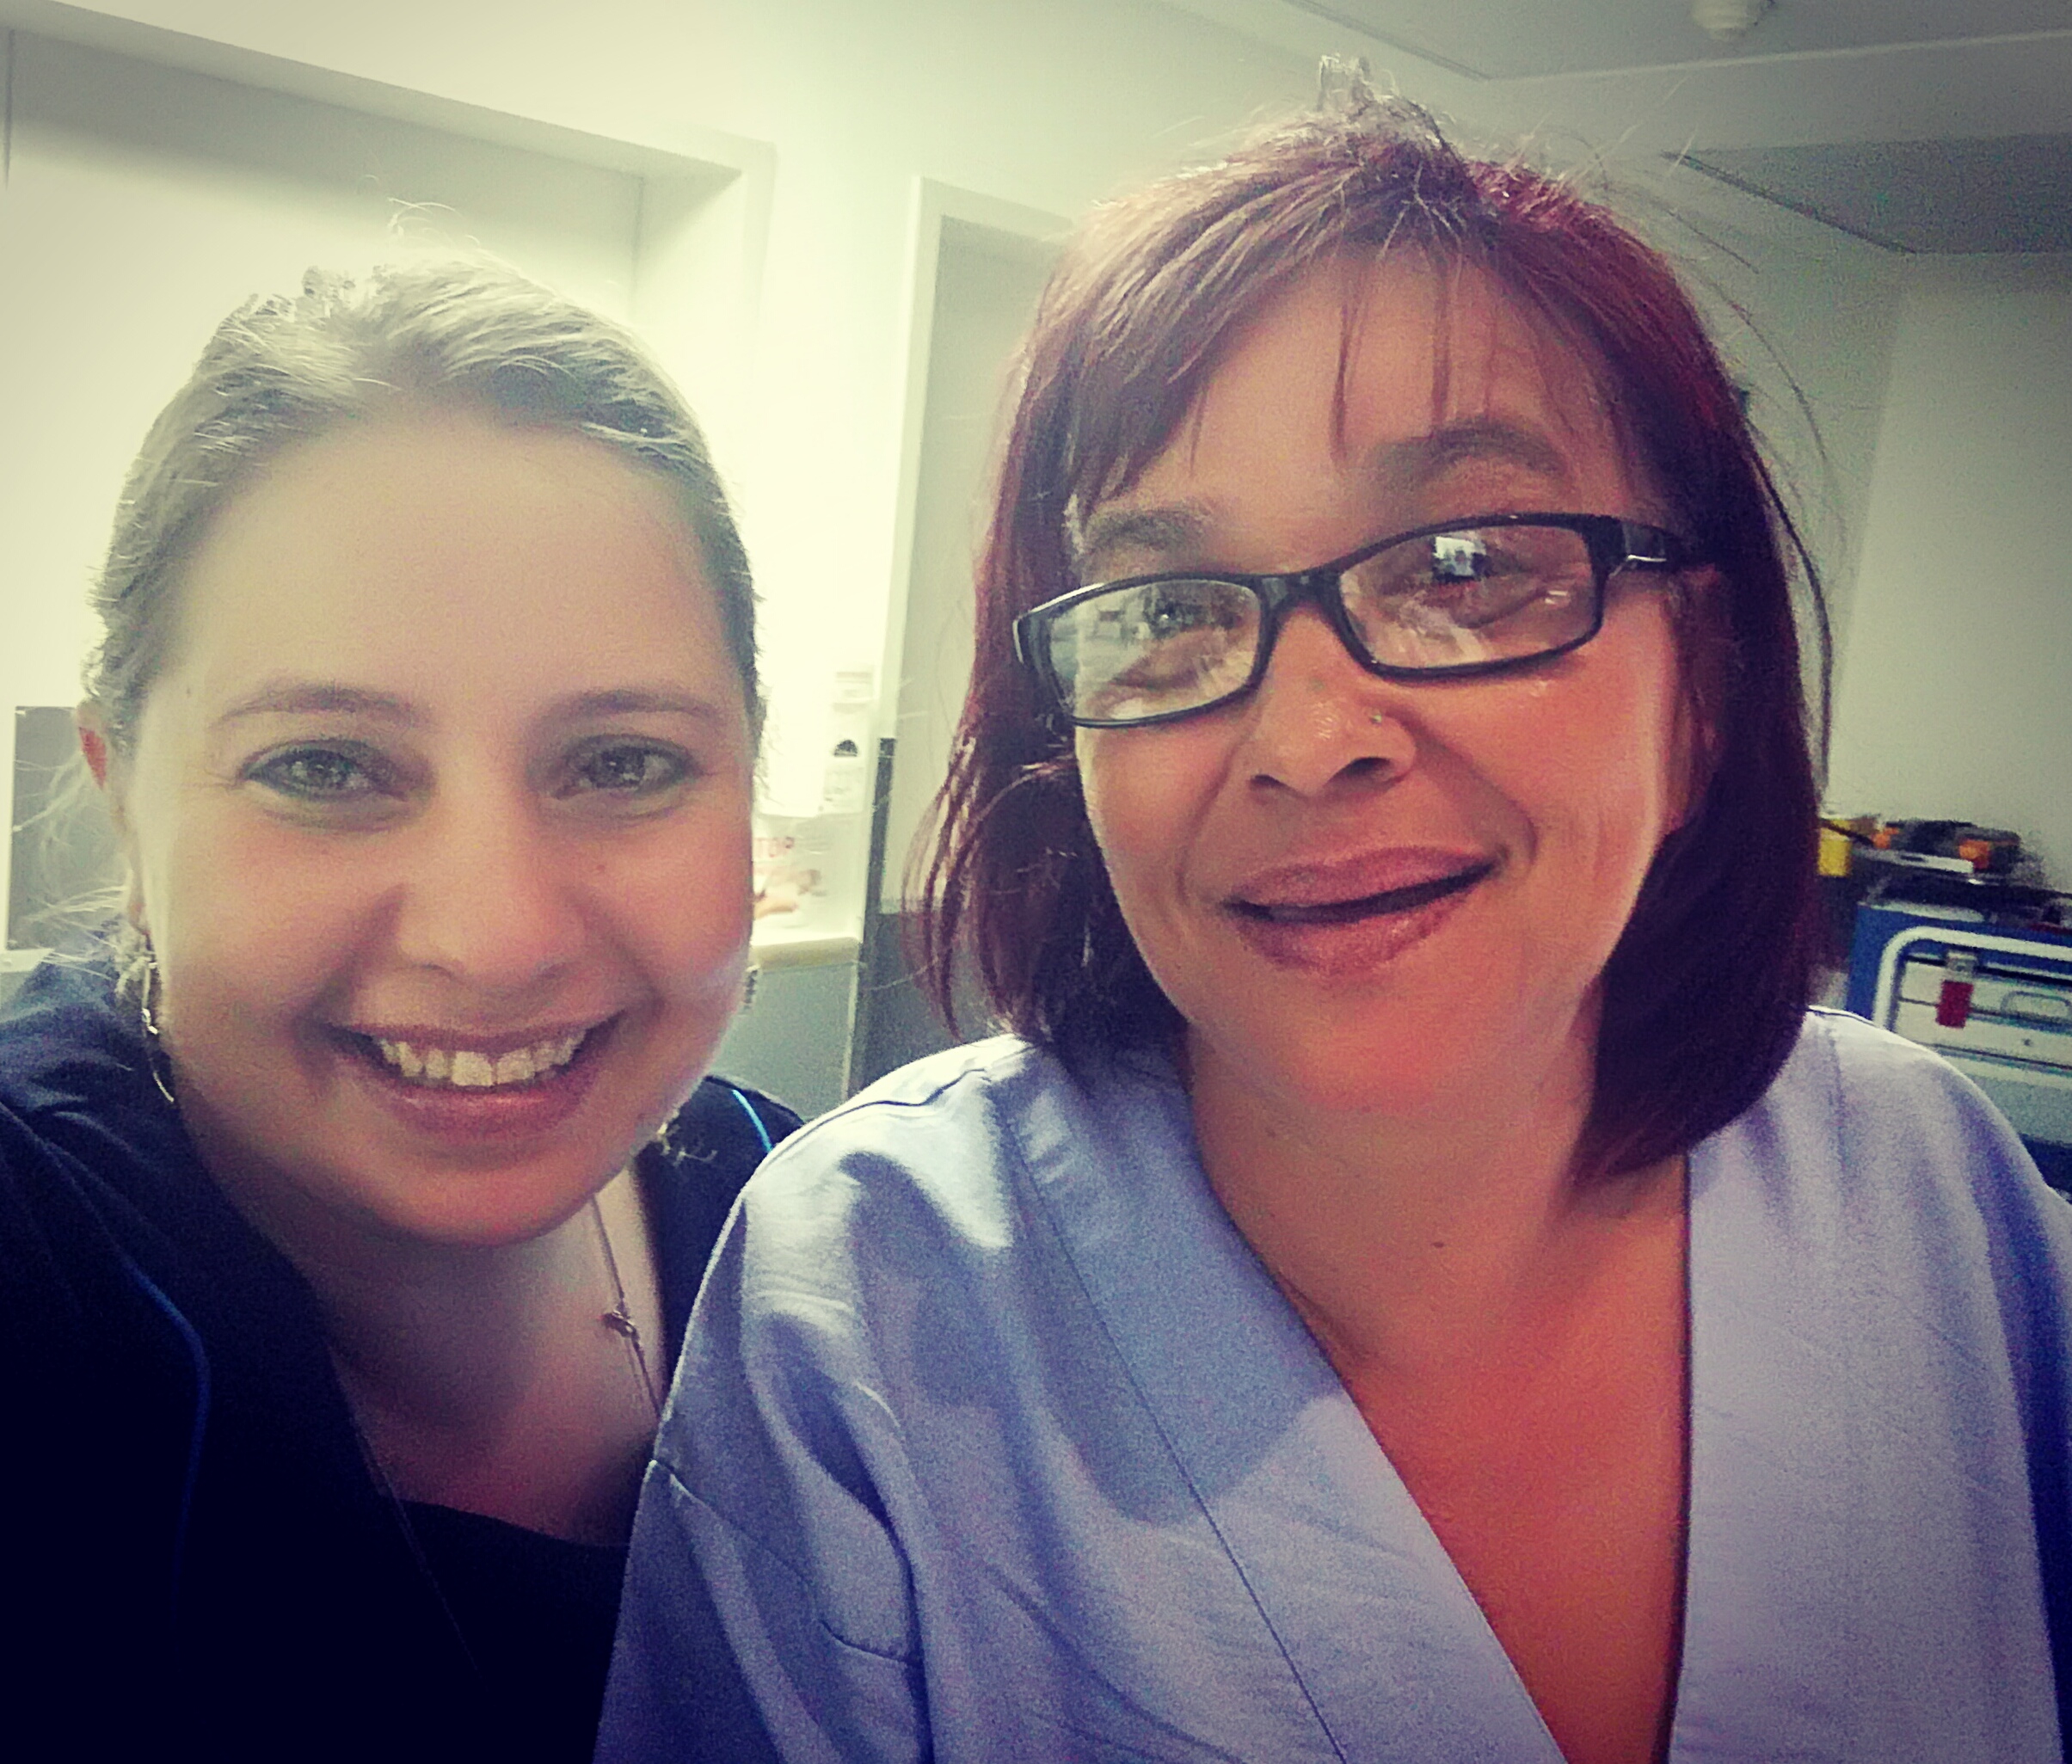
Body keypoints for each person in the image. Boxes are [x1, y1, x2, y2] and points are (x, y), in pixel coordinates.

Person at [600, 78, 2072, 1764]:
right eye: (1164, 605)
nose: (1305, 741)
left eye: (1462, 568)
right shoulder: (867, 1293)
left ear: (1700, 691)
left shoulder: (1921, 1195)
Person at [0, 264, 797, 1763]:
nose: (495, 942)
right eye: (324, 767)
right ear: (122, 801)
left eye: (621, 763)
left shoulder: (816, 1227)